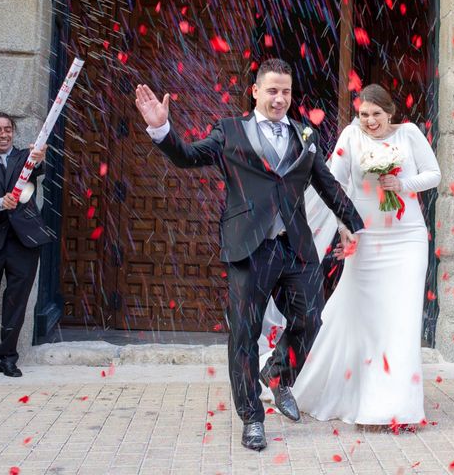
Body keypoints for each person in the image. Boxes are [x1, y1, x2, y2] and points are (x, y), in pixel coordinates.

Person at [134, 58, 364, 450]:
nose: (280, 99)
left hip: (294, 246)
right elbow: (188, 157)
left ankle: (277, 374)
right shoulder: (229, 131)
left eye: (286, 92)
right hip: (248, 246)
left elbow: (326, 184)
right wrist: (161, 128)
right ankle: (251, 417)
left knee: (310, 318)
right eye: (272, 90)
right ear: (255, 91)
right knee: (244, 334)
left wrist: (356, 225)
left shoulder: (305, 134)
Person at [262, 84, 441, 426]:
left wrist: (402, 185)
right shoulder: (350, 136)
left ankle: (395, 407)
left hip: (407, 238)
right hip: (366, 235)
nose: (370, 122)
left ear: (390, 113)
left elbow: (434, 174)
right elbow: (333, 184)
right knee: (363, 316)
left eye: (376, 114)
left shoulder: (409, 135)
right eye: (363, 115)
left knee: (402, 320)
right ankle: (322, 382)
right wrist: (344, 226)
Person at [0, 112, 52, 377]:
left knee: (16, 303)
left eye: (7, 129)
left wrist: (39, 157)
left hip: (25, 242)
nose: (3, 134)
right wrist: (0, 203)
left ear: (13, 132)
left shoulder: (25, 158)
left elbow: (38, 168)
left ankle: (6, 357)